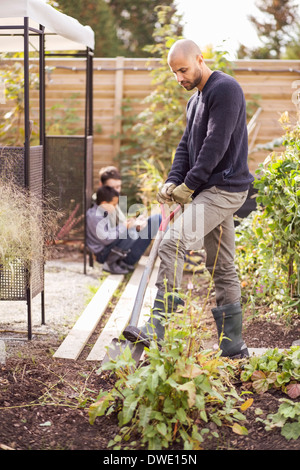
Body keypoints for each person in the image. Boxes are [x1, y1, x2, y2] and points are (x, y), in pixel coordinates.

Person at [123, 39, 254, 359]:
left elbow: (215, 145)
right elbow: (186, 146)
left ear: (200, 59)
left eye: (183, 69)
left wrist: (189, 186)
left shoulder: (225, 90)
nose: (179, 77)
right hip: (208, 190)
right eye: (174, 72)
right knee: (221, 264)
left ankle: (158, 328)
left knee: (172, 241)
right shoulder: (194, 101)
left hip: (224, 189)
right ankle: (233, 346)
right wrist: (172, 180)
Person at [86, 185, 160, 274]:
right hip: (102, 254)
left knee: (136, 229)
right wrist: (124, 226)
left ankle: (118, 262)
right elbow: (106, 239)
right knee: (130, 233)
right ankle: (110, 264)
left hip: (110, 249)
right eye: (113, 204)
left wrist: (131, 224)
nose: (115, 207)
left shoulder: (104, 213)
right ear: (104, 203)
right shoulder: (94, 216)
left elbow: (112, 233)